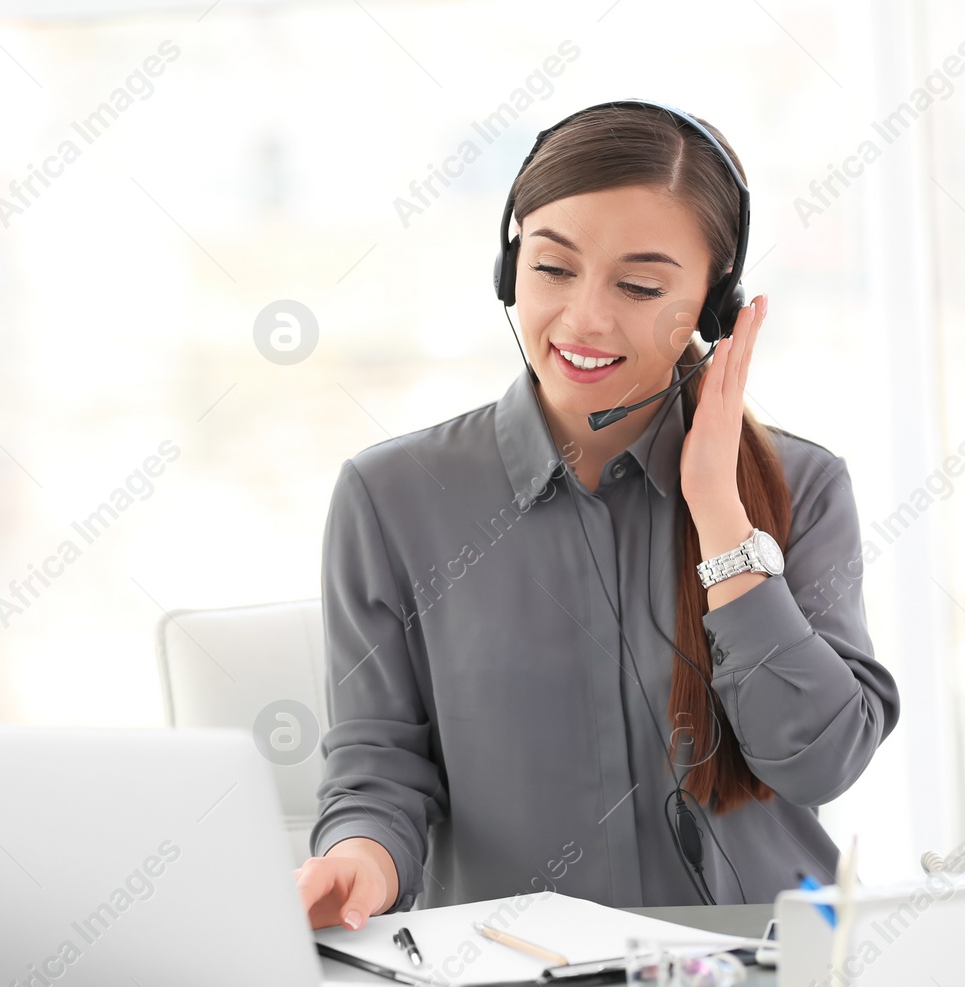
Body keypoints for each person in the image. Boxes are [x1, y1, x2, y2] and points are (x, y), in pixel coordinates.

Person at [295, 100, 899, 933]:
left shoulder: (804, 484)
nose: (585, 319)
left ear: (712, 307)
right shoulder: (391, 496)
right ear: (508, 270)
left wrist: (721, 517)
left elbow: (821, 758)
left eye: (641, 285)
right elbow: (380, 766)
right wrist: (361, 855)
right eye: (552, 268)